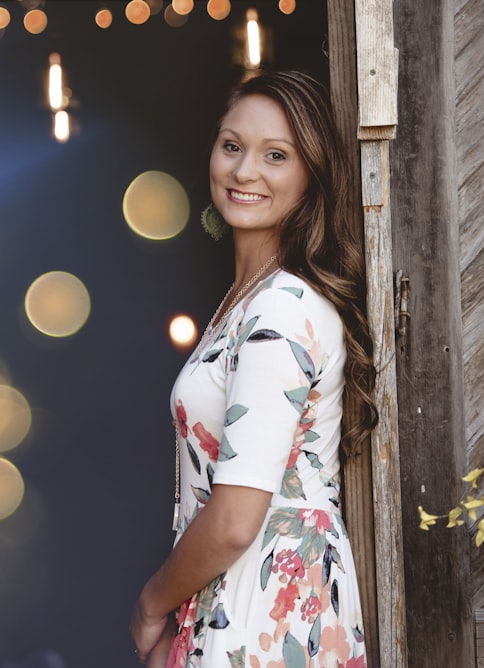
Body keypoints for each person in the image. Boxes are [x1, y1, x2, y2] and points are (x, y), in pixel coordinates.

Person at [129, 69, 378, 668]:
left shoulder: (282, 308)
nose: (244, 172)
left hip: (265, 607)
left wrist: (150, 603)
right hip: (235, 596)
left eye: (275, 155)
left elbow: (237, 520)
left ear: (311, 176)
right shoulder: (246, 302)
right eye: (232, 146)